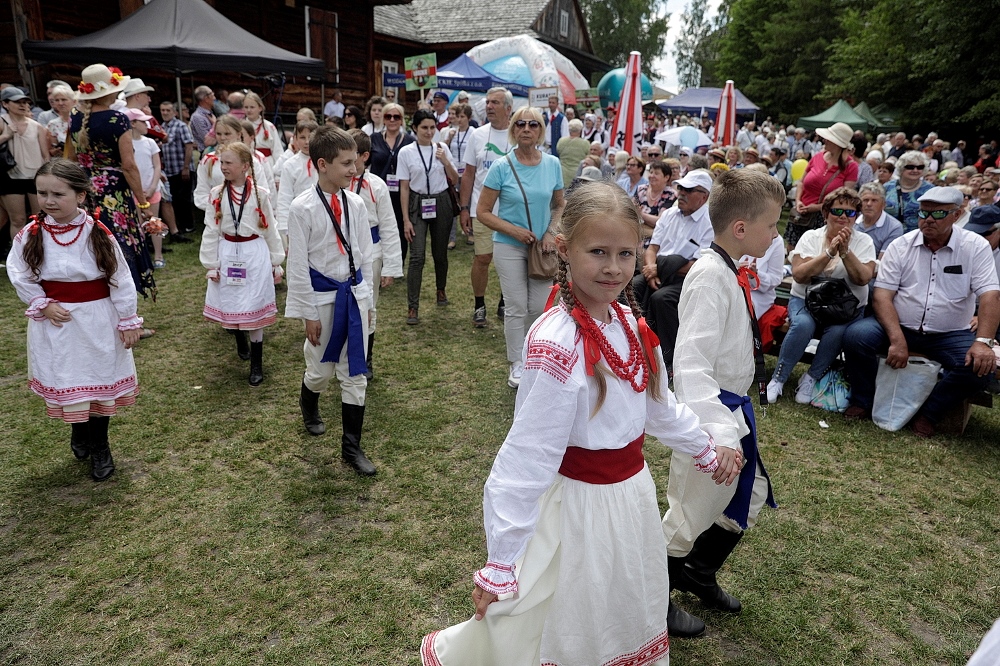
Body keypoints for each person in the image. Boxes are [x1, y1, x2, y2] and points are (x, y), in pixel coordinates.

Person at [420, 181, 732, 666]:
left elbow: (658, 405)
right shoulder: (558, 343)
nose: (614, 267)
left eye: (626, 253)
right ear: (564, 250)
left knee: (624, 598)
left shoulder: (630, 323)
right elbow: (528, 453)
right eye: (598, 252)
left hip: (630, 497)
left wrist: (702, 446)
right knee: (575, 611)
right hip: (580, 507)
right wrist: (501, 559)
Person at [662, 168, 784, 637]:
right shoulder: (710, 277)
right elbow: (691, 366)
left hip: (731, 411)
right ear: (741, 228)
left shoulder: (727, 270)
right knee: (688, 512)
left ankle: (698, 572)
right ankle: (654, 597)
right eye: (772, 225)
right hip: (711, 414)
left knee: (748, 494)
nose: (776, 234)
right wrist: (719, 432)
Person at [6, 159, 142, 482]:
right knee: (70, 378)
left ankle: (101, 445)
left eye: (58, 194)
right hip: (57, 322)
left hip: (96, 319)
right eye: (42, 193)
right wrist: (41, 303)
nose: (49, 200)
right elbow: (19, 272)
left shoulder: (97, 233)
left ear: (80, 195)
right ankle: (79, 429)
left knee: (98, 377)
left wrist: (127, 319)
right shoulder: (31, 233)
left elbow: (120, 277)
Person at [842, 187, 1000, 437]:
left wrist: (983, 341)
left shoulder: (975, 246)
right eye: (923, 213)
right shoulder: (901, 245)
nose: (928, 219)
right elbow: (882, 296)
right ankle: (863, 399)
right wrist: (897, 339)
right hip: (899, 324)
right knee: (856, 336)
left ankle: (929, 413)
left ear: (957, 215)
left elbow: (990, 295)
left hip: (950, 332)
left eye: (938, 213)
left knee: (981, 367)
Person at [285, 127, 376, 475]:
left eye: (355, 162)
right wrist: (308, 313)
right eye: (346, 163)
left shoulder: (356, 203)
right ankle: (309, 399)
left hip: (353, 296)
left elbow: (365, 256)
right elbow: (297, 266)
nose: (354, 169)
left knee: (355, 373)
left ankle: (351, 448)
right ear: (323, 164)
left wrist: (367, 301)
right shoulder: (302, 208)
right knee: (321, 370)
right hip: (322, 299)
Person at [477, 106, 565, 387]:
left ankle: (531, 353)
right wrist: (513, 230)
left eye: (533, 124)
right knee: (515, 305)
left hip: (542, 248)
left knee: (539, 306)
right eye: (520, 124)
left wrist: (550, 232)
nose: (526, 129)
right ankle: (516, 361)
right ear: (513, 130)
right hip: (509, 246)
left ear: (541, 131)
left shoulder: (552, 164)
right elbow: (483, 211)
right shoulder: (501, 167)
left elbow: (559, 204)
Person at [766, 188, 876, 404]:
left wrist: (846, 252)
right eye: (837, 211)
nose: (843, 216)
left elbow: (863, 278)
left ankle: (810, 378)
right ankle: (778, 378)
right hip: (806, 301)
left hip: (845, 308)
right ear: (826, 213)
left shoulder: (864, 242)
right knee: (803, 325)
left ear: (856, 217)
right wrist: (829, 253)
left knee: (837, 332)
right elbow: (799, 275)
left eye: (850, 213)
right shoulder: (811, 237)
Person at [67, 64, 157, 315]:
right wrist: (143, 203)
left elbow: (72, 158)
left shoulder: (75, 117)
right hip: (113, 194)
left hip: (85, 192)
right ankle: (126, 314)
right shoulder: (117, 120)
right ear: (109, 91)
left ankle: (102, 309)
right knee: (120, 246)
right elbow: (129, 165)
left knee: (93, 247)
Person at [200, 142, 283, 386]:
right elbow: (211, 229)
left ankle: (257, 362)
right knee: (232, 299)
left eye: (229, 163)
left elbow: (271, 229)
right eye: (221, 162)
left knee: (254, 302)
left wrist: (276, 260)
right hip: (228, 252)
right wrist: (211, 263)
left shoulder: (260, 194)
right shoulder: (216, 194)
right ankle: (239, 337)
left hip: (254, 253)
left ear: (245, 166)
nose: (223, 167)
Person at [631, 169, 715, 371]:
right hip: (657, 270)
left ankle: (668, 356)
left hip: (687, 277)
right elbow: (652, 249)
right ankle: (632, 342)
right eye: (681, 188)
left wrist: (659, 269)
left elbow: (699, 263)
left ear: (704, 196)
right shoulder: (669, 214)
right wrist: (651, 269)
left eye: (689, 190)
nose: (682, 193)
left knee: (662, 299)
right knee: (632, 287)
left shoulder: (710, 223)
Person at [348, 129, 403, 379]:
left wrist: (390, 267)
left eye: (352, 157)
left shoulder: (376, 186)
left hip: (371, 253)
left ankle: (366, 358)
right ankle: (345, 355)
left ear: (364, 156)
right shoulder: (334, 183)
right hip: (342, 252)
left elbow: (389, 227)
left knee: (368, 305)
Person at [398, 109, 459, 324]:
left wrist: (445, 161)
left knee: (440, 253)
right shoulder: (406, 152)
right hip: (417, 203)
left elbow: (455, 179)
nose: (429, 131)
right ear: (415, 128)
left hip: (441, 202)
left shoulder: (441, 148)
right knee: (417, 256)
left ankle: (441, 289)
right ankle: (412, 307)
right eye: (424, 127)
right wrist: (406, 219)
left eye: (432, 127)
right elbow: (404, 187)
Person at [460, 87, 512, 328]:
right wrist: (464, 207)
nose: (489, 106)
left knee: (508, 260)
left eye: (495, 103)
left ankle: (504, 301)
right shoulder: (477, 135)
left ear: (508, 108)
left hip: (512, 211)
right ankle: (479, 305)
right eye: (488, 102)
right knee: (483, 257)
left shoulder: (519, 134)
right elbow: (469, 174)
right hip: (482, 210)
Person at [788, 122, 859, 250]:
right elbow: (801, 182)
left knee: (816, 253)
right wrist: (798, 201)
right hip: (800, 215)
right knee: (792, 250)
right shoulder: (817, 157)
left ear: (837, 144)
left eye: (828, 138)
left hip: (824, 219)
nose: (824, 140)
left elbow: (844, 200)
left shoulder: (851, 167)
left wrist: (816, 207)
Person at [0, 87, 49, 241]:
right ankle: (18, 252)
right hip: (10, 177)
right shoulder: (2, 122)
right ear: (5, 104)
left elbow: (45, 156)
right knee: (18, 219)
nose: (23, 105)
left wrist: (48, 178)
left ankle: (39, 249)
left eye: (25, 102)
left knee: (39, 218)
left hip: (35, 176)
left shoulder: (37, 126)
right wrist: (5, 135)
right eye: (17, 102)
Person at [369, 102, 415, 263]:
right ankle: (378, 262)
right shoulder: (374, 139)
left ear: (402, 120)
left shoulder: (409, 141)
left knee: (400, 228)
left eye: (396, 116)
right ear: (384, 119)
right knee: (379, 227)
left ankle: (397, 263)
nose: (392, 120)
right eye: (388, 116)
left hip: (401, 193)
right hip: (377, 193)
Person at [124, 109, 165, 268]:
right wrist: (137, 190)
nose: (147, 125)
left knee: (155, 222)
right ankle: (142, 257)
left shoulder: (150, 142)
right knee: (138, 224)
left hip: (152, 189)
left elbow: (157, 166)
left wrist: (153, 186)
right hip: (134, 191)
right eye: (143, 122)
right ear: (133, 124)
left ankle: (158, 256)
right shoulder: (126, 144)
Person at [274, 120, 319, 245]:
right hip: (299, 217)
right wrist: (285, 227)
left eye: (311, 137)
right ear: (295, 139)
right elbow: (284, 197)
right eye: (302, 137)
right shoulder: (290, 165)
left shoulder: (324, 162)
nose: (307, 142)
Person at [159, 101, 195, 234]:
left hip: (182, 168)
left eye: (168, 110)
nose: (165, 113)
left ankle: (189, 225)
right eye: (163, 110)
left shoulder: (181, 126)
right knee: (175, 199)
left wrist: (186, 167)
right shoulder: (162, 127)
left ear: (174, 112)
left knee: (184, 198)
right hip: (169, 170)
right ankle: (179, 225)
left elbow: (189, 146)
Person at [883, 151, 933, 232]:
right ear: (901, 168)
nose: (915, 170)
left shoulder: (930, 190)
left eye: (920, 167)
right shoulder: (887, 187)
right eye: (910, 167)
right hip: (889, 234)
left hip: (918, 234)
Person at [856, 182, 904, 258]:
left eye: (874, 200)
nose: (869, 204)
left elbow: (883, 261)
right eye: (865, 200)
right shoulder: (850, 219)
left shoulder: (894, 227)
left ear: (883, 204)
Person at [634, 161, 677, 245]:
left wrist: (641, 215)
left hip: (657, 239)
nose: (652, 176)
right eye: (651, 172)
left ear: (666, 177)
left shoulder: (671, 195)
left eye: (656, 173)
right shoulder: (640, 189)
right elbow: (631, 213)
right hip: (637, 235)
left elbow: (661, 221)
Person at [243, 92, 281, 166]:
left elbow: (277, 150)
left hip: (267, 163)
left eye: (252, 107)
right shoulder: (240, 127)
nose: (249, 110)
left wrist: (277, 170)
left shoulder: (269, 126)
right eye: (246, 107)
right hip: (247, 162)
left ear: (260, 108)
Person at [556, 118, 590, 188]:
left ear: (569, 130)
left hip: (563, 174)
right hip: (578, 174)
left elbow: (558, 152)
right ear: (580, 130)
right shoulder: (585, 143)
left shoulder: (561, 141)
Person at [44, 84, 76, 158]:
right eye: (57, 100)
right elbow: (52, 149)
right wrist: (56, 151)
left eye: (64, 100)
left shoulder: (82, 119)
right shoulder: (53, 124)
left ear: (73, 101)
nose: (60, 103)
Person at [190, 85, 216, 151]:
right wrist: (215, 124)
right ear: (206, 99)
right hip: (206, 152)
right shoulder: (197, 117)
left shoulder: (210, 114)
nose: (214, 98)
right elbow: (208, 141)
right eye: (213, 96)